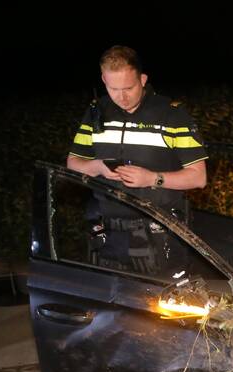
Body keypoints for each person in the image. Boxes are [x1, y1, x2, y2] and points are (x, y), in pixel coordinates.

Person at [66, 45, 208, 272]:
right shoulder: (96, 112)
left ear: (142, 79)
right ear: (103, 79)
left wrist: (153, 178)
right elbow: (73, 164)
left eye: (129, 88)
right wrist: (98, 166)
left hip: (160, 235)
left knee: (162, 307)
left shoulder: (172, 115)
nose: (121, 97)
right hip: (107, 236)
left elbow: (198, 177)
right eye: (113, 88)